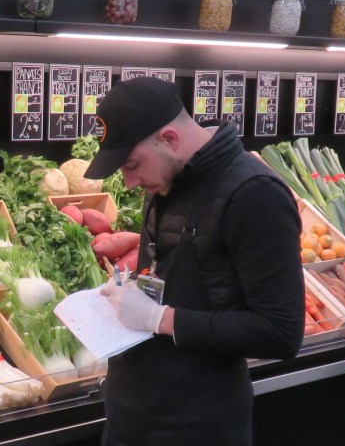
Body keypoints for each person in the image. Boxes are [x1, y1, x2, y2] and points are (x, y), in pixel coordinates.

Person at [85, 77, 305, 445]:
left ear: (169, 139)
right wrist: (129, 295)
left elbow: (281, 333)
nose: (129, 182)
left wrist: (160, 319)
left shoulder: (255, 196)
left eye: (132, 165)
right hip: (135, 416)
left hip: (196, 425)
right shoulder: (167, 178)